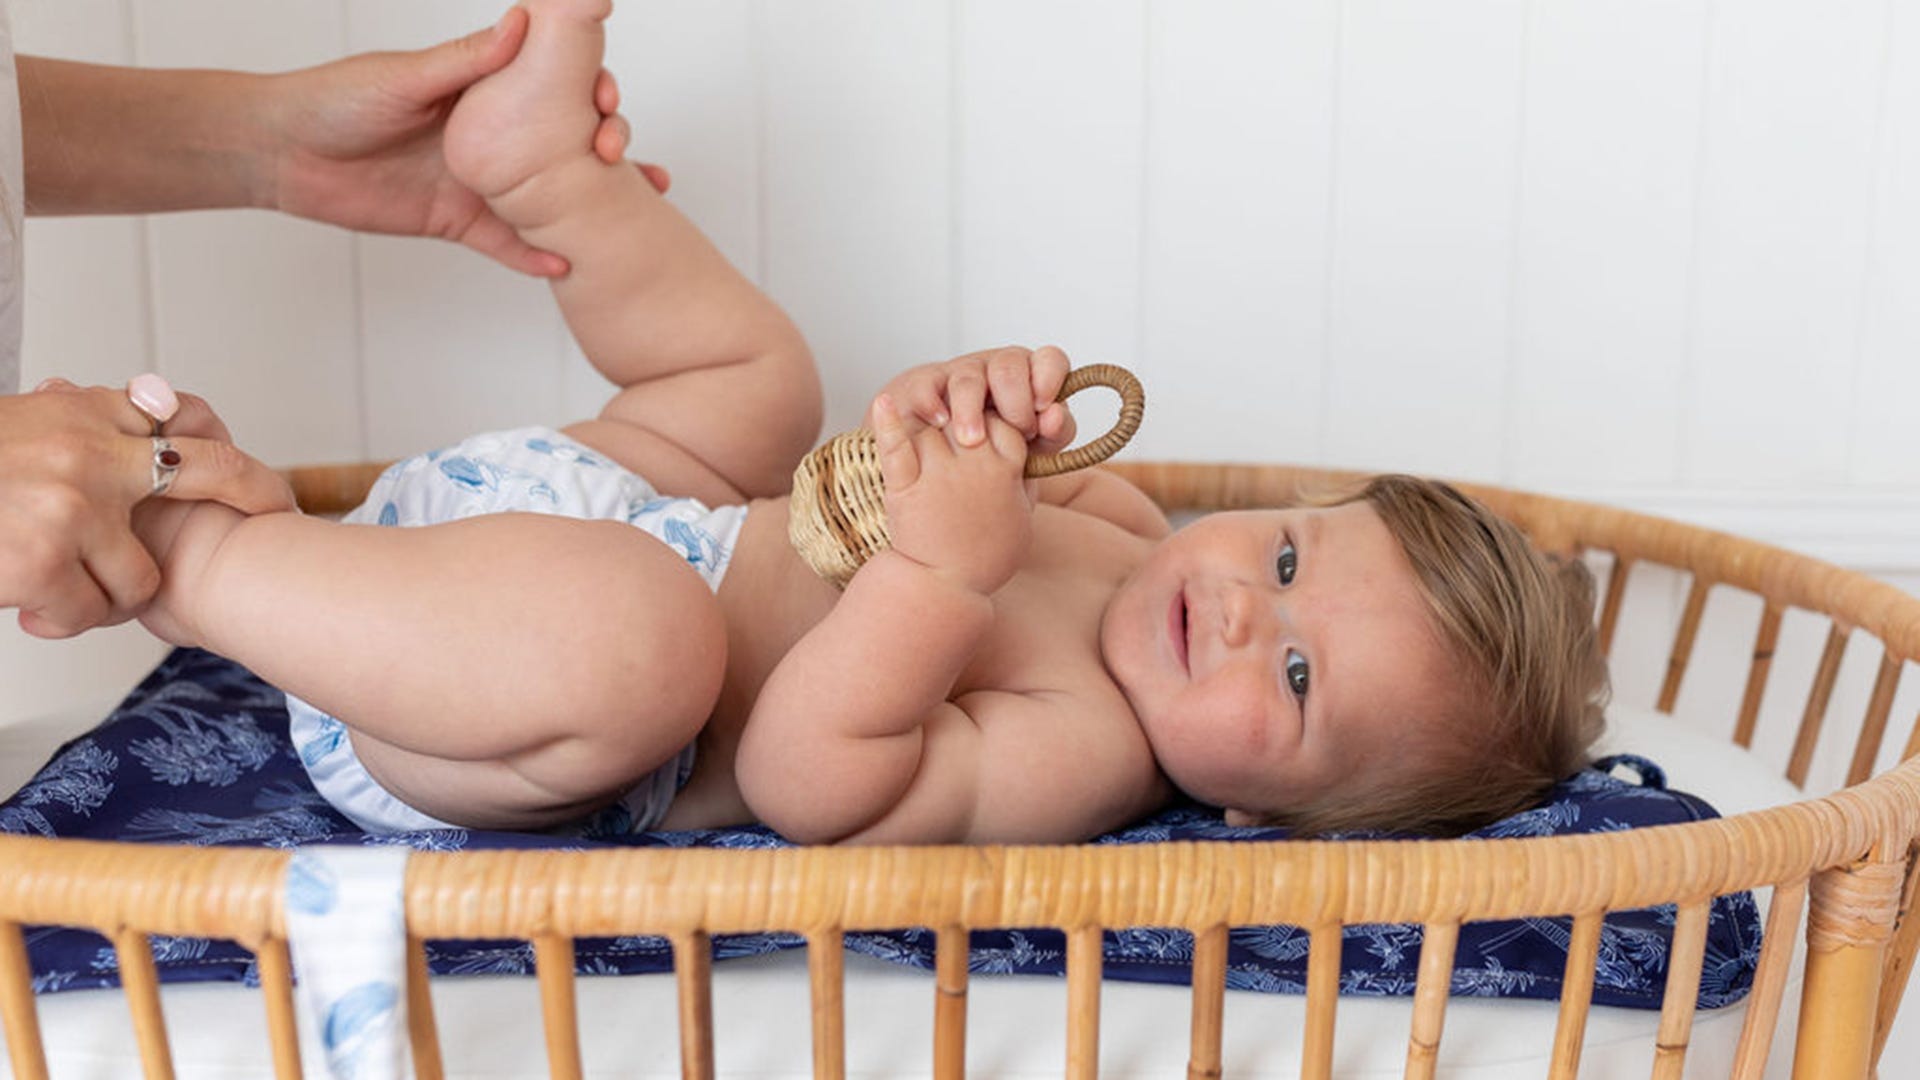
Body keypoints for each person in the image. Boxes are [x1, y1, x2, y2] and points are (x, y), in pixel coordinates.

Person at [121, 0, 1608, 846]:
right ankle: (542, 179)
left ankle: (206, 562)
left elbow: (812, 785)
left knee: (644, 642)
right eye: (1286, 564)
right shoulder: (1129, 526)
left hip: (501, 707)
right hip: (623, 509)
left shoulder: (1084, 753)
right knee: (767, 385)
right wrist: (948, 414)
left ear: (1283, 818)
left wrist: (940, 581)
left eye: (1294, 679)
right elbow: (867, 471)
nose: (1231, 612)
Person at [0, 3, 664, 641]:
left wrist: (271, 143)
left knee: (744, 395)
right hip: (556, 629)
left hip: (683, 530)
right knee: (618, 626)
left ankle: (555, 181)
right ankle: (211, 564)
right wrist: (207, 560)